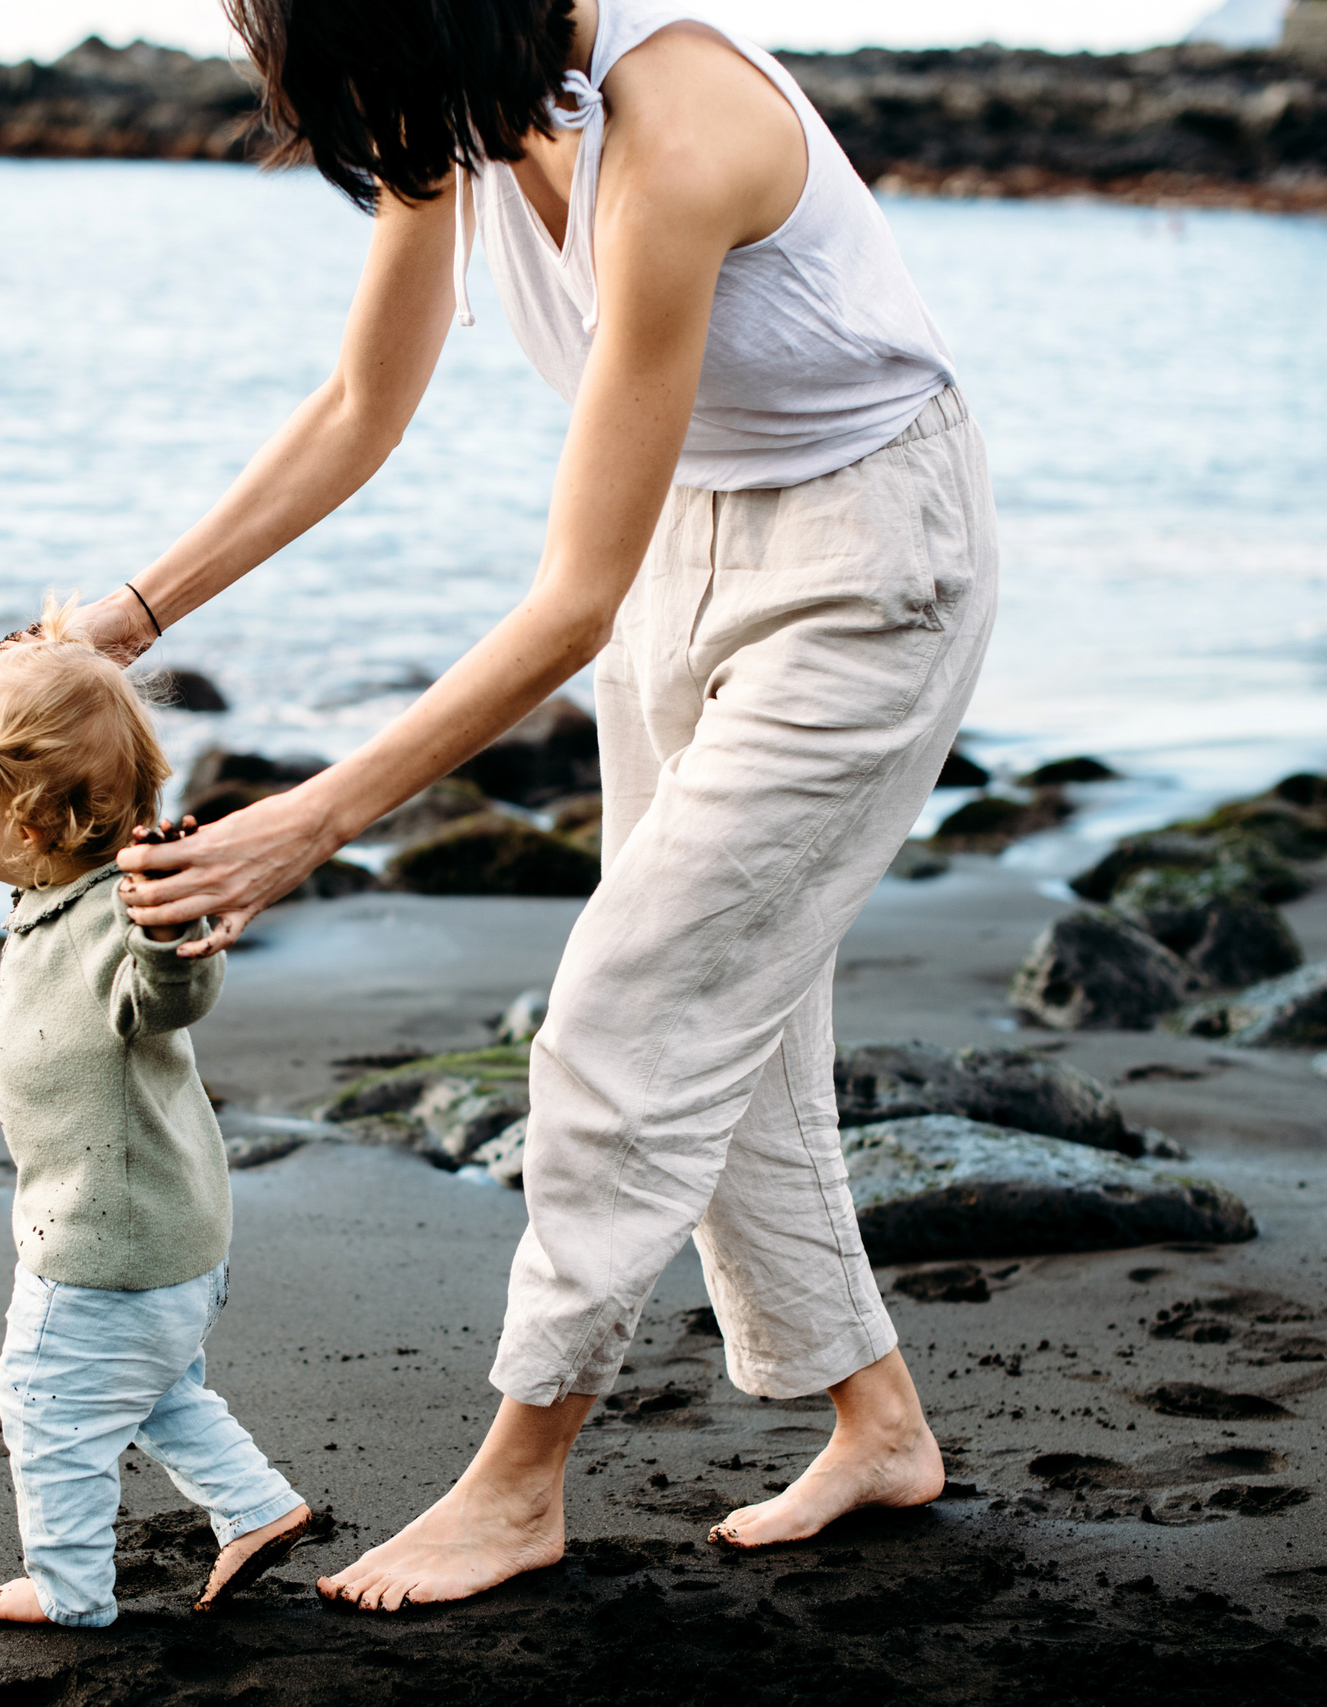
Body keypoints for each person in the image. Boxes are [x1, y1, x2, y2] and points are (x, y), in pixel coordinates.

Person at [67, 0, 996, 1609]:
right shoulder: (469, 108)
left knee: (627, 1016)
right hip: (690, 542)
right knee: (738, 1022)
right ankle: (882, 1424)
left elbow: (569, 601)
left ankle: (519, 1483)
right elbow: (364, 401)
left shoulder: (682, 122)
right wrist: (126, 620)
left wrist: (313, 819)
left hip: (866, 569)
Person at [0, 608, 312, 1626]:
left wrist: (170, 926)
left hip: (107, 1250)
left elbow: (168, 995)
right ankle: (256, 1510)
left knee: (47, 1409)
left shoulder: (120, 915)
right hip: (170, 1239)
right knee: (155, 1393)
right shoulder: (57, 892)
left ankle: (69, 1593)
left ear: (23, 827)